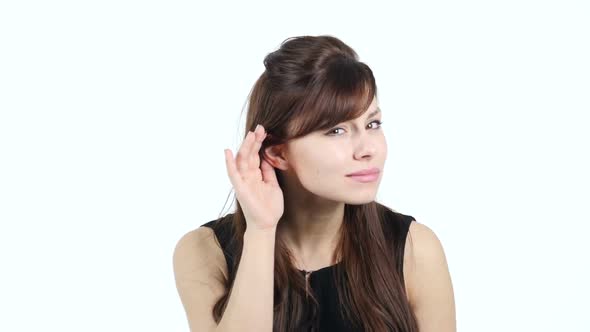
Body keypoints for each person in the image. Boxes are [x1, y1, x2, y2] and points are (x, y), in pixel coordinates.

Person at [173, 35, 456, 332]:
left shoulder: (415, 248)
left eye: (372, 124)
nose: (367, 149)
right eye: (336, 130)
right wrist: (261, 230)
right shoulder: (205, 251)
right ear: (277, 152)